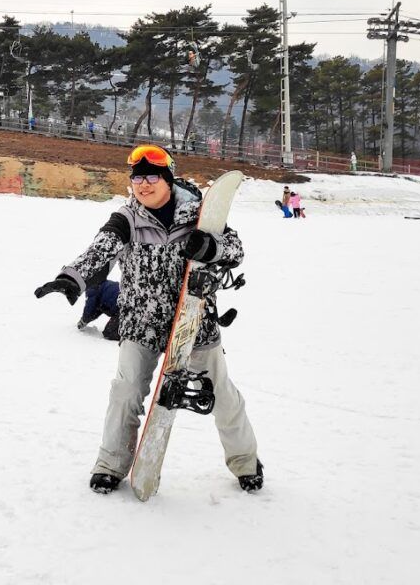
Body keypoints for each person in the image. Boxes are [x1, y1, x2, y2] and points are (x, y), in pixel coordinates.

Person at [34, 144, 261, 495]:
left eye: (152, 176)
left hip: (194, 321)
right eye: (137, 178)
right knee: (125, 392)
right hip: (141, 321)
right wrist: (72, 278)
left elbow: (235, 250)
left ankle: (246, 462)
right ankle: (110, 465)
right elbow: (101, 250)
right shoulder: (126, 219)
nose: (143, 184)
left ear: (168, 179)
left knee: (223, 395)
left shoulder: (200, 214)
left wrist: (211, 249)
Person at [77, 264, 120, 342]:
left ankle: (130, 338)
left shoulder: (93, 288)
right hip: (127, 305)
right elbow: (96, 310)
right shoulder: (103, 284)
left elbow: (90, 307)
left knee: (108, 332)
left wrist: (83, 320)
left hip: (124, 309)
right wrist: (86, 320)